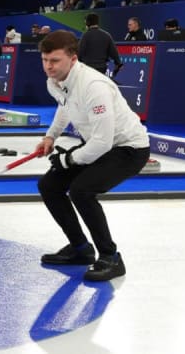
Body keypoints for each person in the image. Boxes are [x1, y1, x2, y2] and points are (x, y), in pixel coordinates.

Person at [35, 30, 150, 281]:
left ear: (73, 59)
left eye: (54, 60)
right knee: (49, 185)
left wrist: (68, 159)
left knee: (81, 190)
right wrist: (50, 137)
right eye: (45, 60)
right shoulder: (54, 81)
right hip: (99, 144)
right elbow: (65, 107)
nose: (48, 66)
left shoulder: (93, 86)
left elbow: (102, 142)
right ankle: (80, 249)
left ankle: (111, 257)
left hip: (128, 148)